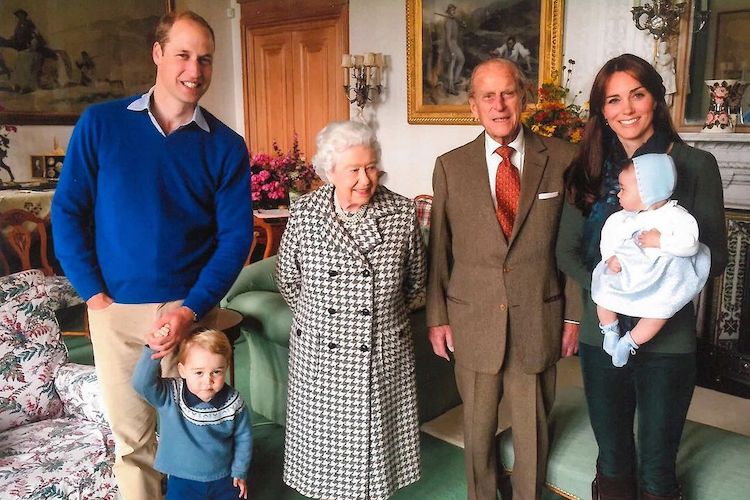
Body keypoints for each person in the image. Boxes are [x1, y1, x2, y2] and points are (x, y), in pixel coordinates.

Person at [51, 10, 252, 500]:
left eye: (205, 59)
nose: (195, 70)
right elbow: (68, 212)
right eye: (183, 54)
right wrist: (93, 295)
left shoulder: (226, 145)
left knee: (204, 431)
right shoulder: (101, 125)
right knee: (133, 442)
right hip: (115, 310)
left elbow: (234, 239)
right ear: (158, 54)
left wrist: (189, 310)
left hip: (192, 312)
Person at [556, 53, 728, 500]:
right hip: (602, 335)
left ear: (656, 99)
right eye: (613, 100)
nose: (626, 109)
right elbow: (566, 251)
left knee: (657, 463)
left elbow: (716, 256)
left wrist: (655, 288)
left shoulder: (695, 165)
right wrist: (614, 286)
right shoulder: (589, 167)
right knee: (612, 458)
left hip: (668, 339)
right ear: (601, 110)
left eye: (637, 94)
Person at [427, 58, 580, 500]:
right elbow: (440, 249)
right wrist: (437, 317)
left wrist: (572, 317)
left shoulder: (564, 159)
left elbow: (571, 248)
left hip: (538, 315)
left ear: (525, 97)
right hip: (472, 319)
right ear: (473, 106)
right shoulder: (450, 166)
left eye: (507, 93)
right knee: (476, 431)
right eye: (487, 96)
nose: (499, 105)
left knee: (532, 430)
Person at [276, 120, 426, 500]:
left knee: (373, 467)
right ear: (329, 172)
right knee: (324, 461)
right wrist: (321, 322)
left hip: (379, 353)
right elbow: (287, 279)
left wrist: (380, 319)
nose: (365, 179)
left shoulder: (401, 213)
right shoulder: (306, 213)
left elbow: (416, 286)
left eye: (371, 166)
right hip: (319, 357)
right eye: (354, 170)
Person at [591, 154, 711, 367]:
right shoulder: (623, 218)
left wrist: (660, 241)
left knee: (659, 312)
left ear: (648, 191)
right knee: (602, 292)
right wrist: (609, 257)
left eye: (624, 189)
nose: (618, 194)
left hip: (659, 278)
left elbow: (690, 243)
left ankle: (630, 341)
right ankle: (610, 329)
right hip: (627, 271)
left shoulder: (677, 217)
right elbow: (608, 237)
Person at [132, 327, 252, 499]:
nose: (207, 381)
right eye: (199, 373)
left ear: (226, 367)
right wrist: (154, 349)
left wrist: (240, 471)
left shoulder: (233, 401)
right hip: (182, 480)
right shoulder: (170, 394)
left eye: (216, 372)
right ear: (182, 371)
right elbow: (141, 383)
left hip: (224, 477)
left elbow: (244, 437)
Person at [442, 3, 465, 96]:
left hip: (455, 44)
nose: (453, 12)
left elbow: (463, 27)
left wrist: (463, 24)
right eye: (451, 10)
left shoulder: (454, 21)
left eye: (454, 11)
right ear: (448, 12)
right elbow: (447, 38)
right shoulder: (448, 22)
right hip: (450, 44)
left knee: (462, 59)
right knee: (452, 65)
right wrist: (451, 50)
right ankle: (450, 88)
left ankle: (455, 80)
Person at [655, 41, 676, 107]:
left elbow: (664, 62)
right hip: (661, 75)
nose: (663, 49)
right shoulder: (658, 57)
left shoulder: (668, 56)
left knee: (667, 92)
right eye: (662, 47)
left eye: (664, 47)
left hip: (667, 76)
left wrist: (657, 59)